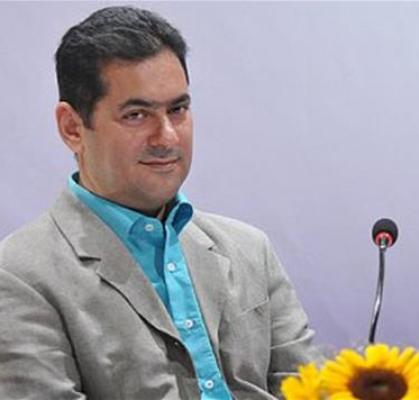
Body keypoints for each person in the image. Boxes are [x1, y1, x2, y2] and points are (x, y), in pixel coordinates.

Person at [0, 6, 317, 400]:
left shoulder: (250, 249)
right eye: (137, 115)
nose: (166, 136)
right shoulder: (19, 274)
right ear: (72, 127)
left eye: (177, 110)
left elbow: (318, 391)